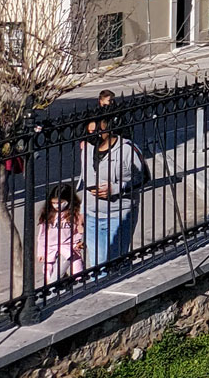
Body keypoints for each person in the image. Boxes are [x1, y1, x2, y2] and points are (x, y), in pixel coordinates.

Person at [77, 91, 145, 270]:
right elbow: (86, 182)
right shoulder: (87, 150)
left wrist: (116, 189)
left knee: (114, 262)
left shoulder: (127, 149)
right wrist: (82, 211)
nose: (93, 135)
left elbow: (144, 177)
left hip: (118, 214)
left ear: (107, 129)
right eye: (90, 132)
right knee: (97, 266)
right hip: (92, 215)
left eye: (97, 131)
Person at [36, 183, 84, 285]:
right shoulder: (48, 215)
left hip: (68, 247)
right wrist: (41, 251)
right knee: (48, 271)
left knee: (76, 268)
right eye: (54, 203)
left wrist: (77, 243)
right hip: (51, 248)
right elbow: (42, 235)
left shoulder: (75, 214)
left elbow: (78, 231)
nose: (57, 205)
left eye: (60, 202)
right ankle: (59, 285)